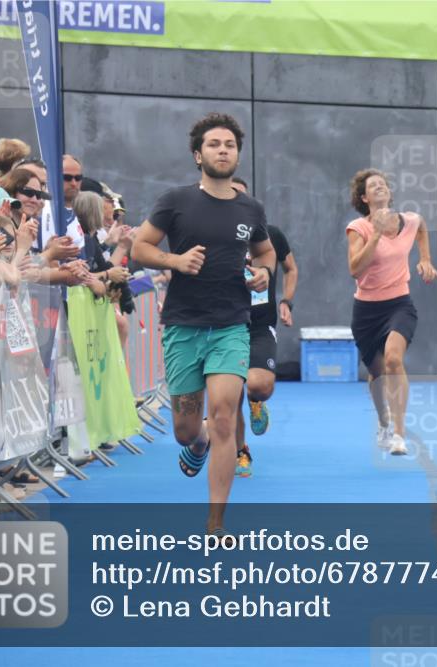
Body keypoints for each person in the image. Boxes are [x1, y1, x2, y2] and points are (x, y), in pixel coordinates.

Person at [132, 112, 275, 537]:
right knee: (186, 428)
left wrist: (265, 272)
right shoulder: (175, 201)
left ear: (237, 153)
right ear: (199, 155)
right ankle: (197, 443)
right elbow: (140, 248)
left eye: (229, 144)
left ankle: (215, 523)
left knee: (226, 417)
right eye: (214, 144)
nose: (223, 150)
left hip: (231, 326)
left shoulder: (250, 207)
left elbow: (265, 253)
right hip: (183, 327)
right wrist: (174, 261)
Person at [347, 169, 437, 456]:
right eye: (372, 186)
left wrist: (425, 259)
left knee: (394, 360)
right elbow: (354, 269)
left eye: (382, 184)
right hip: (366, 311)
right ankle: (384, 421)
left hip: (399, 304)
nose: (378, 188)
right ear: (364, 197)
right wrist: (376, 234)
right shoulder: (357, 228)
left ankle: (399, 433)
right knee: (377, 374)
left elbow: (421, 227)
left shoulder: (408, 220)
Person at [229, 177, 299, 478]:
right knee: (229, 396)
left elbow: (291, 268)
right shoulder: (214, 237)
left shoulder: (270, 236)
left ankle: (256, 402)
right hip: (226, 326)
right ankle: (241, 451)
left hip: (260, 325)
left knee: (258, 385)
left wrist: (287, 301)